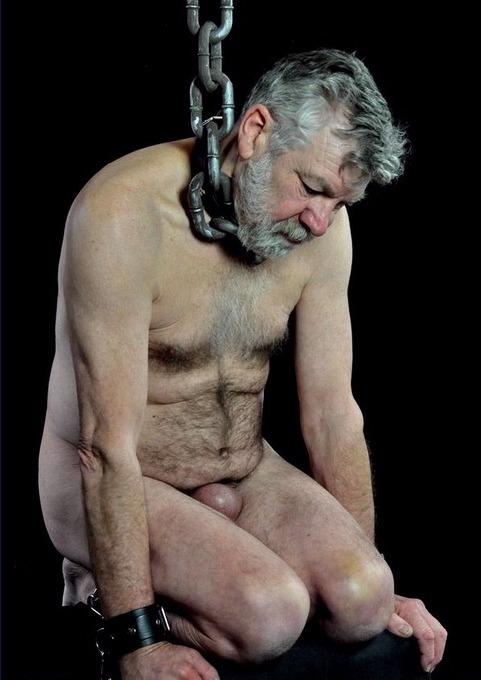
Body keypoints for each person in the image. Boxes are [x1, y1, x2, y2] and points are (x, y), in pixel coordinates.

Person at [38, 48, 447, 680]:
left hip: (243, 466)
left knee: (363, 600)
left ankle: (229, 567)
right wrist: (134, 636)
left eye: (341, 203)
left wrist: (376, 576)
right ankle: (97, 587)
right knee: (270, 617)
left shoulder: (320, 227)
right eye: (312, 188)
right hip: (112, 476)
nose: (320, 222)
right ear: (254, 131)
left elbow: (333, 416)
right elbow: (102, 446)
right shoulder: (123, 214)